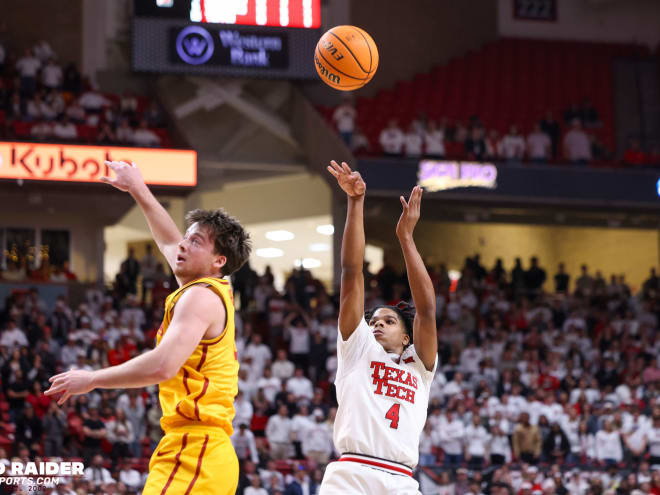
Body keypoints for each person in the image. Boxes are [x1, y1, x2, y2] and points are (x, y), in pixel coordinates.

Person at [46, 160, 252, 495]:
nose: (183, 245)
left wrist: (93, 379)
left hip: (196, 450)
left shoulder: (200, 297)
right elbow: (170, 243)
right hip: (200, 449)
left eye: (196, 242)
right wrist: (138, 189)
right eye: (187, 238)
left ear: (219, 262)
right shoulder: (207, 289)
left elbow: (161, 365)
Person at [320, 161, 437, 494]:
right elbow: (351, 272)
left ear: (406, 336)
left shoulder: (420, 367)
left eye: (388, 321)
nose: (376, 326)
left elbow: (427, 310)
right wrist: (355, 202)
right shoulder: (358, 349)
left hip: (401, 480)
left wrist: (406, 238)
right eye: (373, 321)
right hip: (350, 474)